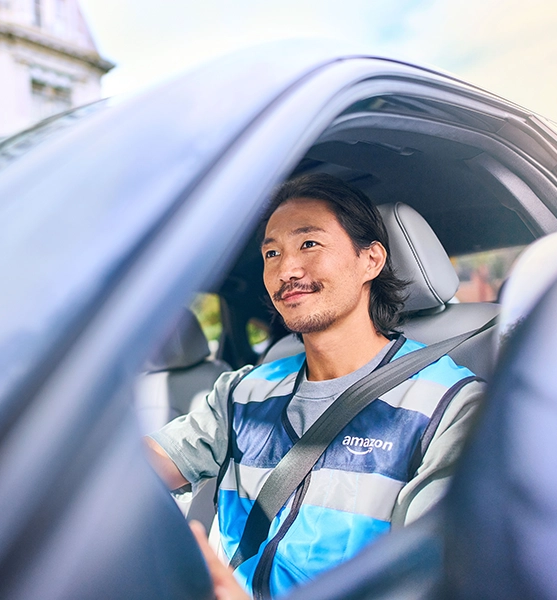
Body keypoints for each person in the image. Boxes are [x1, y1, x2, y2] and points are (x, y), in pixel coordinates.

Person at [145, 173, 484, 598]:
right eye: (271, 253)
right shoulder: (243, 391)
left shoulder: (449, 406)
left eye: (309, 244)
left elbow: (433, 584)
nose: (286, 269)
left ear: (371, 261)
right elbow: (145, 465)